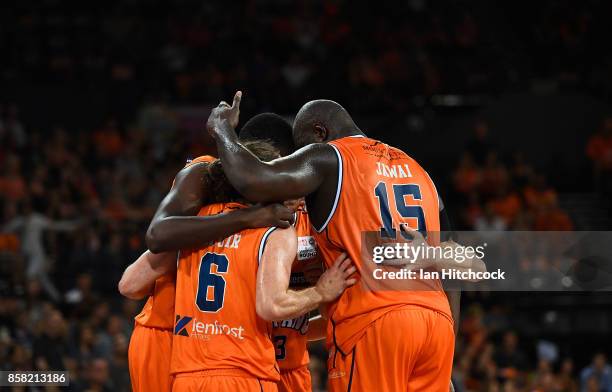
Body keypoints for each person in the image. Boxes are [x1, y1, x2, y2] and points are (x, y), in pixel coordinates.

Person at [206, 92, 486, 391]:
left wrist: (222, 129)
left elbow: (252, 179)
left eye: (302, 149)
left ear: (319, 133)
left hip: (374, 321)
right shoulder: (420, 172)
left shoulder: (331, 156)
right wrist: (447, 339)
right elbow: (457, 269)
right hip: (436, 325)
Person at [120, 115, 295, 392]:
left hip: (206, 351)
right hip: (174, 336)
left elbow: (130, 283)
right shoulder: (204, 173)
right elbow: (145, 258)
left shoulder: (269, 215)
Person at [170, 138, 354, 391]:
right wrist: (319, 292)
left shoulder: (197, 222)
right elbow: (273, 305)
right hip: (250, 366)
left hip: (217, 366)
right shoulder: (275, 232)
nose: (296, 195)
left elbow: (131, 282)